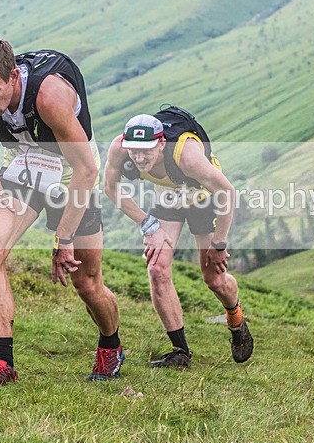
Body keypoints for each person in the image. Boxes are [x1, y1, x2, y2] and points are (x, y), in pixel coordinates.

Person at [0, 36, 122, 386]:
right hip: (23, 165)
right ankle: (3, 363)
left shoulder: (49, 96)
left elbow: (87, 171)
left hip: (74, 173)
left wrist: (64, 238)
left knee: (87, 283)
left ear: (13, 76)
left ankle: (111, 345)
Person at [103, 106, 253, 368]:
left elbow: (227, 192)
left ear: (161, 143)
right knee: (157, 270)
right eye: (134, 150)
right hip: (167, 197)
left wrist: (219, 244)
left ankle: (236, 320)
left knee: (213, 279)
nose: (138, 158)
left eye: (146, 150)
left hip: (203, 198)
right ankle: (180, 352)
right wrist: (148, 225)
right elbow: (110, 188)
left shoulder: (187, 155)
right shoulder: (120, 147)